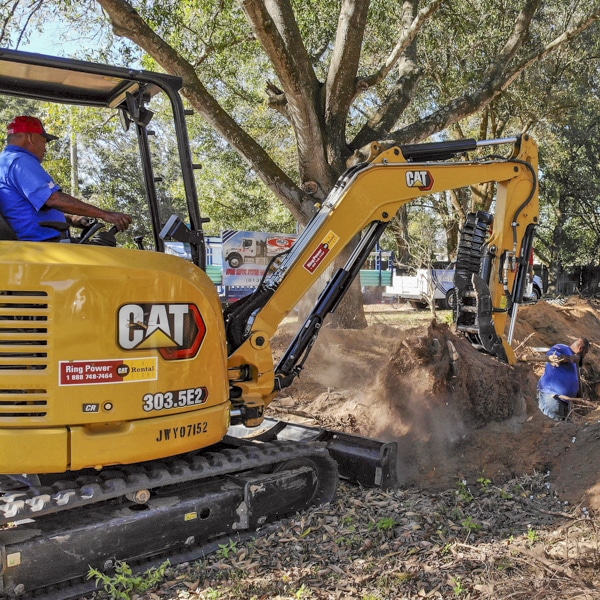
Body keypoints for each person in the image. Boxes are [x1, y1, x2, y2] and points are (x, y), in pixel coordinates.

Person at [0, 115, 132, 241]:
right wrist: (105, 214)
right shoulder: (20, 161)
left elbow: (25, 211)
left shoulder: (6, 162)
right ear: (30, 137)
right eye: (44, 142)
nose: (45, 150)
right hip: (44, 245)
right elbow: (54, 199)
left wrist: (72, 218)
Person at [537, 337, 590, 421]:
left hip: (565, 402)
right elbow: (551, 355)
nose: (585, 356)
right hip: (553, 397)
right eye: (585, 352)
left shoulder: (575, 362)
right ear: (580, 348)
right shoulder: (562, 348)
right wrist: (569, 358)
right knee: (553, 427)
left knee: (564, 431)